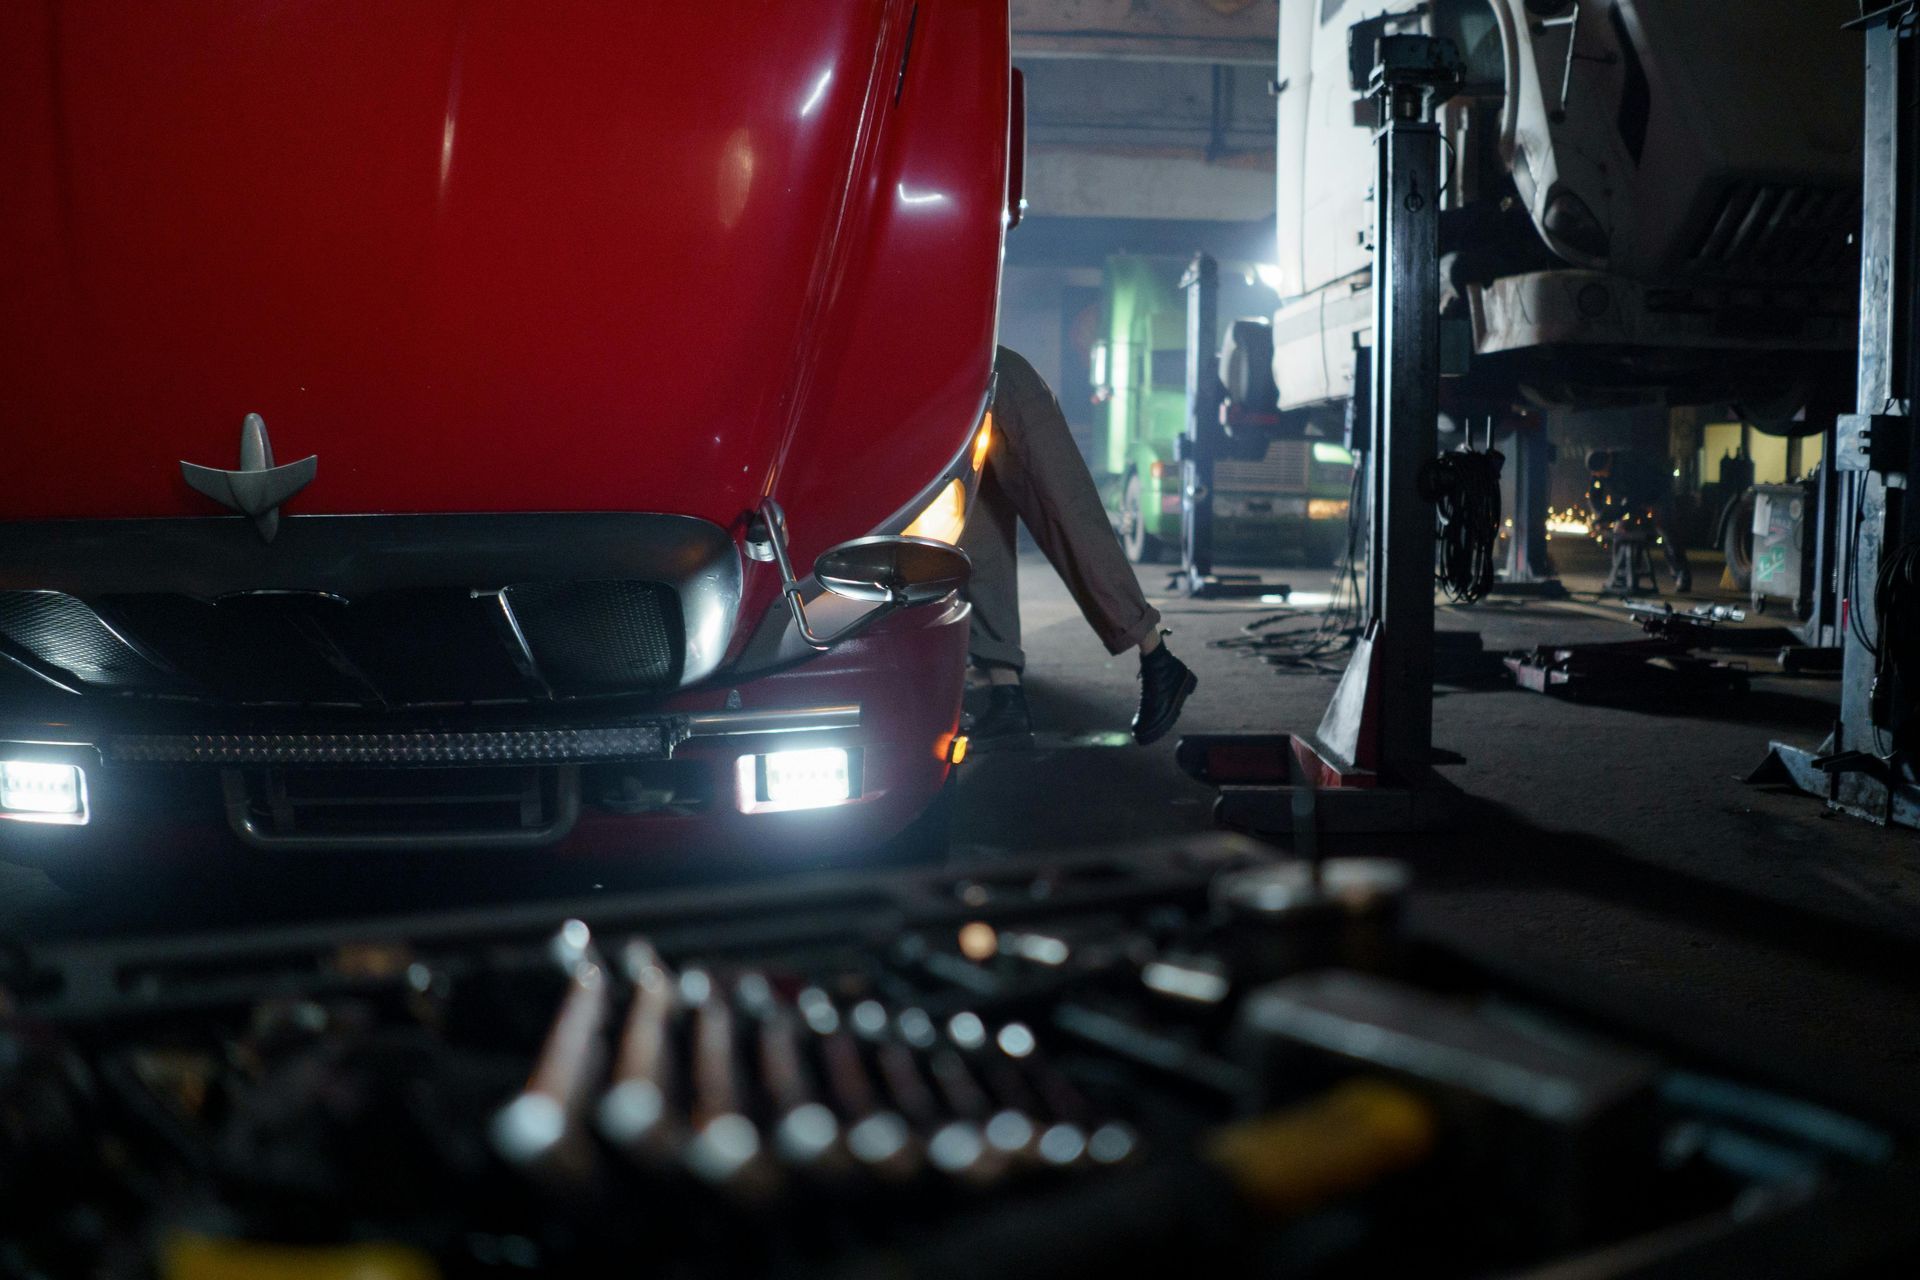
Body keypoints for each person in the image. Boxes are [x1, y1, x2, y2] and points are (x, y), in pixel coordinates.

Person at [959, 347, 1197, 748]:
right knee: (977, 539)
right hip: (953, 396)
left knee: (1065, 514)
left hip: (995, 378)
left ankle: (1157, 657)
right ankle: (1007, 694)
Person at [1584, 448, 1692, 593]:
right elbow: (1594, 495)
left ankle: (1681, 574)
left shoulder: (1626, 465)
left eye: (1600, 473)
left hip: (1657, 495)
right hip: (1633, 499)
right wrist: (1600, 516)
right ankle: (1621, 576)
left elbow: (1632, 500)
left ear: (1607, 463)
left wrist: (1612, 517)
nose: (1598, 476)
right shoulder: (1598, 471)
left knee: (1666, 530)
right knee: (1620, 533)